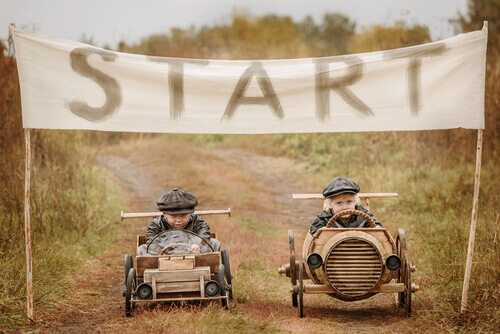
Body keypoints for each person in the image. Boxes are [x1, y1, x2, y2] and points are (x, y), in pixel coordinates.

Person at [138, 188, 220, 255]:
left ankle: (212, 267)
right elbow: (151, 238)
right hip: (164, 256)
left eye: (183, 215)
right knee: (142, 249)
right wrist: (159, 249)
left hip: (193, 254)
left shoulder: (196, 222)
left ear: (190, 213)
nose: (178, 220)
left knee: (214, 242)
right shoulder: (157, 224)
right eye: (173, 216)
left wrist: (198, 245)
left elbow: (204, 232)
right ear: (164, 214)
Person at [310, 176, 383, 235]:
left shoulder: (363, 215)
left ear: (355, 202)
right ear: (330, 204)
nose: (345, 207)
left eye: (349, 202)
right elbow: (314, 232)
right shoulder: (324, 218)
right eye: (339, 203)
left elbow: (376, 227)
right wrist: (321, 232)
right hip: (334, 251)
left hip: (360, 249)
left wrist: (377, 228)